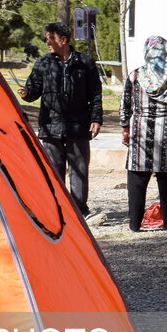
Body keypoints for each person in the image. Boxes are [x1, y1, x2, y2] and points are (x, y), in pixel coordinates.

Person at [18, 22, 102, 218]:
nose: (47, 41)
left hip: (78, 126)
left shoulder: (86, 63)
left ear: (63, 40)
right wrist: (26, 93)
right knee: (53, 172)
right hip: (50, 126)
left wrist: (96, 118)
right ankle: (55, 210)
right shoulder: (43, 63)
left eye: (50, 38)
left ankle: (80, 210)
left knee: (79, 170)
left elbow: (96, 94)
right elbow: (33, 90)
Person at [121, 36, 167, 233]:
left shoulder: (135, 76)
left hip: (141, 130)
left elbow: (125, 104)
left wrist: (125, 127)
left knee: (137, 177)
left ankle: (135, 224)